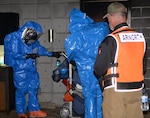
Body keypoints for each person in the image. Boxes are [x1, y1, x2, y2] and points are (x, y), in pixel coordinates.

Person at [94, 2, 147, 118]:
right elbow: (143, 67)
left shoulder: (111, 39)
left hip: (116, 91)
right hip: (137, 90)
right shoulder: (140, 38)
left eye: (108, 18)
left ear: (112, 17)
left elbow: (99, 68)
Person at [4, 21, 61, 118]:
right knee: (21, 91)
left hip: (32, 69)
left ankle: (34, 110)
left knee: (33, 89)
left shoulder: (33, 42)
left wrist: (52, 53)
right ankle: (21, 112)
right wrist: (28, 55)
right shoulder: (14, 39)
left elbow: (40, 50)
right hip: (21, 70)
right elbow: (14, 54)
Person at [65, 8, 110, 118]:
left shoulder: (76, 36)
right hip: (101, 68)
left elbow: (69, 54)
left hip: (86, 71)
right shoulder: (100, 28)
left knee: (90, 97)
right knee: (100, 96)